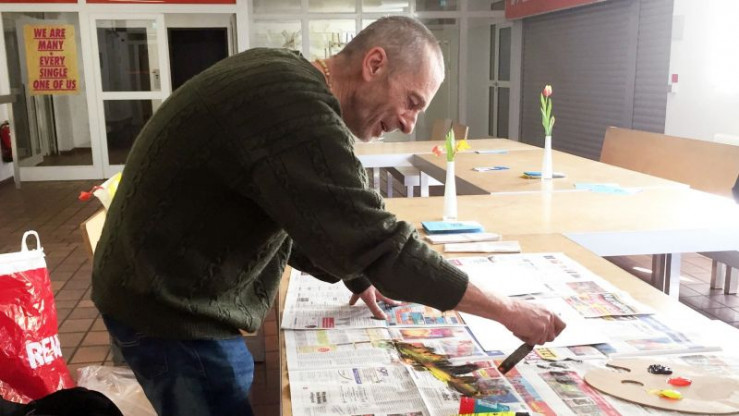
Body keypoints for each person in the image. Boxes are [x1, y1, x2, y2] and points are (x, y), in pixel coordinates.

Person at [92, 16, 565, 416]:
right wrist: (509, 311)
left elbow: (300, 211)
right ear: (374, 64)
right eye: (412, 101)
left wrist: (357, 274)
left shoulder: (288, 79)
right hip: (167, 308)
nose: (408, 123)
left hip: (161, 285)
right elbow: (385, 244)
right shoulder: (294, 107)